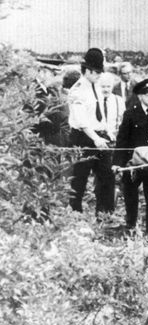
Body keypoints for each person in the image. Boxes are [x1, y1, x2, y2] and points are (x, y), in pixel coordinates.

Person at [112, 78, 148, 237]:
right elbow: (122, 139)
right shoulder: (130, 114)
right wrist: (117, 162)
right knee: (130, 196)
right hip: (133, 164)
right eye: (147, 94)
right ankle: (130, 226)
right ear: (139, 96)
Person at [67, 48, 115, 217]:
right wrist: (95, 138)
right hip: (83, 137)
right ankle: (75, 213)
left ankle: (105, 213)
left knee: (107, 176)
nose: (99, 76)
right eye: (96, 73)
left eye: (100, 72)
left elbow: (100, 112)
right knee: (80, 177)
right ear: (87, 70)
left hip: (99, 136)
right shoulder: (78, 90)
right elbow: (82, 121)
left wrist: (107, 132)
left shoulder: (96, 86)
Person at [35, 69, 81, 147]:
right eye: (53, 74)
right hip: (50, 139)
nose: (54, 77)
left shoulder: (53, 91)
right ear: (42, 73)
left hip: (59, 137)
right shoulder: (37, 91)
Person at [99, 72, 126, 142]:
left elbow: (123, 121)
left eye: (108, 86)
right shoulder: (95, 101)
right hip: (99, 138)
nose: (106, 90)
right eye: (103, 86)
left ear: (112, 86)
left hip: (114, 139)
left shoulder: (119, 100)